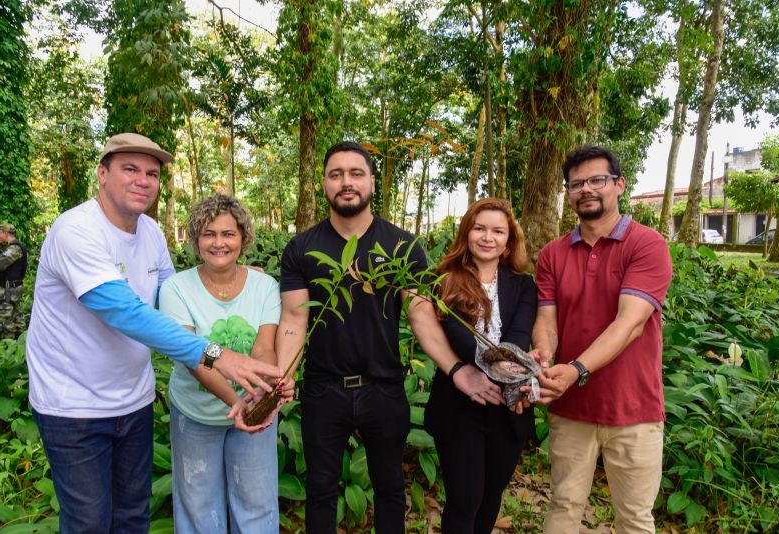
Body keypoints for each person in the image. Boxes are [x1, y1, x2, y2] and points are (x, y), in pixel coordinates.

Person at [26, 133, 283, 533]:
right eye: (129, 169)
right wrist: (218, 354)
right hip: (73, 406)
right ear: (102, 174)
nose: (143, 180)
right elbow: (126, 312)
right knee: (88, 521)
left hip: (133, 400)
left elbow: (169, 296)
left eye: (152, 172)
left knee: (133, 515)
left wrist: (244, 280)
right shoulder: (75, 230)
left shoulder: (149, 233)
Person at [277, 141, 503, 533]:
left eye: (355, 173)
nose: (346, 183)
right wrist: (282, 376)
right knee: (320, 490)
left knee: (389, 489)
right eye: (336, 174)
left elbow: (421, 316)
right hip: (322, 388)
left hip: (382, 386)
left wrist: (456, 370)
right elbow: (295, 319)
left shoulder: (402, 245)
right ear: (324, 184)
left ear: (372, 182)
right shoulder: (303, 248)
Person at [530, 145, 673, 534]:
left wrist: (576, 369)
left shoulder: (647, 245)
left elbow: (630, 324)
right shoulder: (552, 254)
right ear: (568, 192)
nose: (587, 189)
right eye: (577, 184)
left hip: (634, 408)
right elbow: (547, 320)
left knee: (634, 518)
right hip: (571, 408)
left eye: (597, 180)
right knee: (563, 505)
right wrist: (543, 355)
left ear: (619, 185)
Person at [159, 194, 288, 533]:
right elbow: (193, 357)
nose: (219, 243)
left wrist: (263, 394)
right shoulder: (176, 288)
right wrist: (236, 403)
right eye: (208, 234)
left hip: (255, 412)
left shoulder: (264, 286)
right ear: (196, 240)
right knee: (199, 508)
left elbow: (263, 348)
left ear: (243, 238)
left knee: (257, 505)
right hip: (195, 413)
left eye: (228, 234)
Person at [423, 198, 537, 534]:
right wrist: (507, 365)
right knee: (465, 498)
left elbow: (517, 337)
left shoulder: (523, 285)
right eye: (480, 228)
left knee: (490, 498)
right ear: (466, 233)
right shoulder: (441, 280)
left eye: (498, 231)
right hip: (460, 405)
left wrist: (522, 378)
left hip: (508, 406)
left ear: (508, 242)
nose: (488, 237)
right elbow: (461, 339)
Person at [0, 222, 28, 339]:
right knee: (16, 317)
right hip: (12, 288)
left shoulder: (14, 248)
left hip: (10, 290)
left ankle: (8, 346)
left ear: (6, 233)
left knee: (5, 320)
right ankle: (21, 342)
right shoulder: (13, 247)